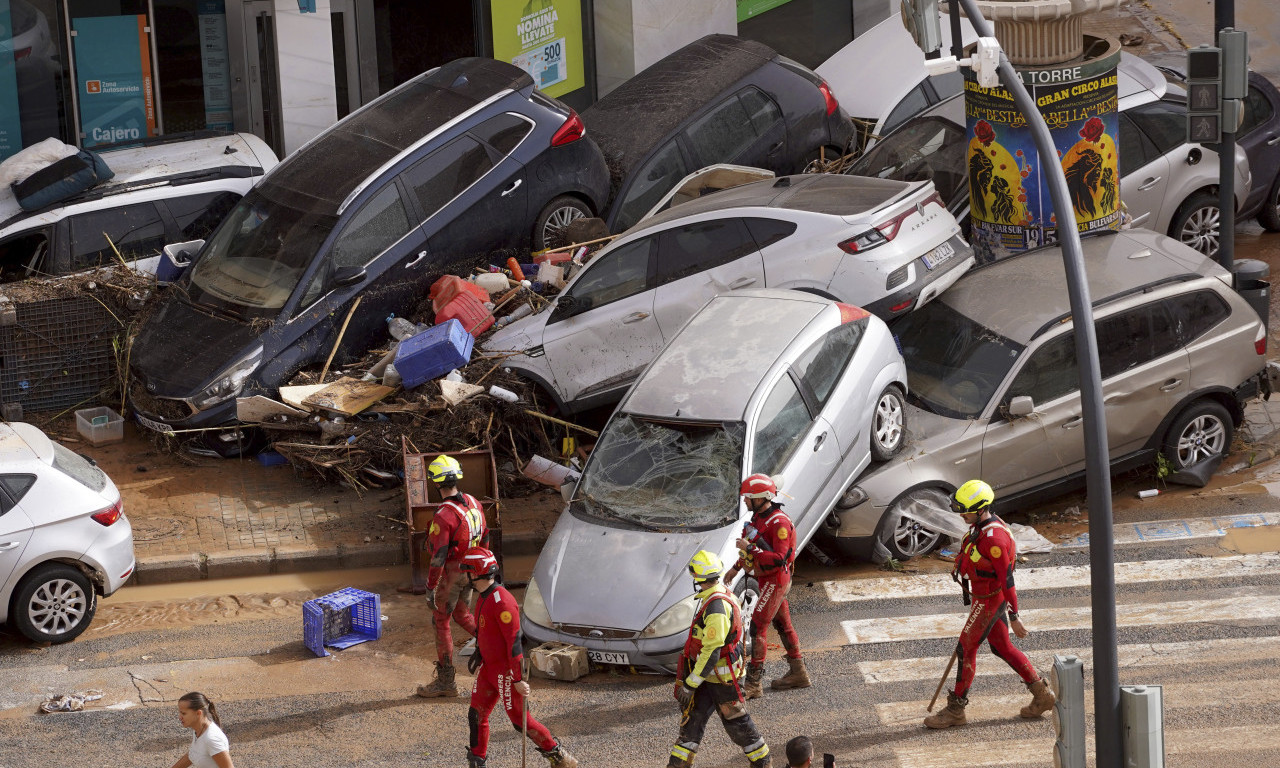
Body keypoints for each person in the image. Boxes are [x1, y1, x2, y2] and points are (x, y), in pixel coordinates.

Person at [924, 479, 1056, 729]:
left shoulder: (995, 540)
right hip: (982, 596)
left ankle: (955, 710)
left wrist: (1014, 616)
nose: (962, 514)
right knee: (1001, 647)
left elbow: (1007, 581)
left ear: (981, 508)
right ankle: (1042, 695)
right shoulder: (981, 526)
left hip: (988, 601)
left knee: (966, 648)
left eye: (966, 510)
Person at [459, 546, 578, 768]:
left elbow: (514, 643)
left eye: (467, 571)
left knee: (520, 720)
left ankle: (558, 756)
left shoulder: (503, 602)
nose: (465, 576)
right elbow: (485, 632)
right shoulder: (483, 597)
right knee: (476, 716)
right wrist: (479, 652)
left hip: (505, 672)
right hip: (489, 670)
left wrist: (517, 679)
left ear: (475, 573)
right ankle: (477, 763)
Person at [669, 550, 771, 768]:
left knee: (737, 724)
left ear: (698, 577)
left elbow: (712, 652)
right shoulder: (718, 595)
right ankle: (677, 764)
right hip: (707, 676)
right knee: (692, 720)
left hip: (722, 679)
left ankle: (763, 762)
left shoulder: (716, 607)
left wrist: (690, 684)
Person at [724, 473, 809, 699]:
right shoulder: (758, 518)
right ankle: (799, 673)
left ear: (761, 498)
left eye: (748, 497)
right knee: (783, 624)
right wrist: (735, 568)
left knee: (757, 627)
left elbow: (779, 559)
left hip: (775, 580)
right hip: (766, 579)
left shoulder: (779, 523)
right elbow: (751, 548)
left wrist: (750, 549)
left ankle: (754, 684)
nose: (744, 500)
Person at [417, 454, 490, 698]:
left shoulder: (444, 515)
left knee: (441, 620)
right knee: (461, 614)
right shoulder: (474, 502)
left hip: (453, 574)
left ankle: (446, 682)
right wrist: (482, 570)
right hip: (472, 569)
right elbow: (485, 536)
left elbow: (438, 556)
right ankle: (496, 647)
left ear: (436, 483)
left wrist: (430, 586)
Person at [169, 691, 234, 768]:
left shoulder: (212, 739)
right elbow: (193, 754)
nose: (180, 717)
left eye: (184, 713)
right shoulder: (198, 730)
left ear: (198, 713)